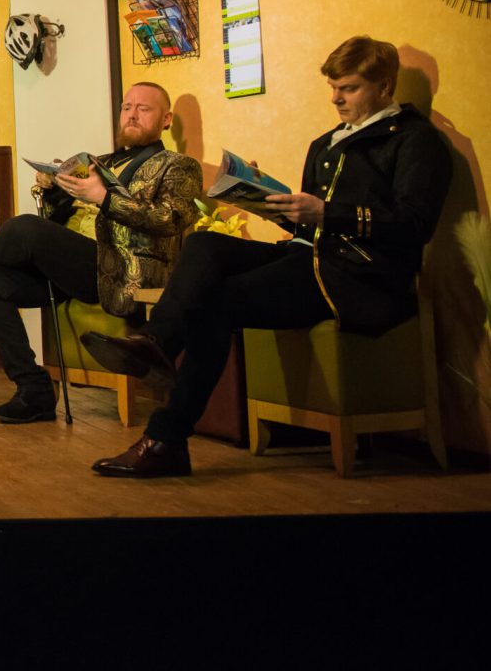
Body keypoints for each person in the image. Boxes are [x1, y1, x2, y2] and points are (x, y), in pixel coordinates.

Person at [83, 37, 453, 477]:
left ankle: (165, 437)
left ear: (385, 87)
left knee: (216, 302)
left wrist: (325, 213)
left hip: (359, 275)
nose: (336, 98)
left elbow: (414, 224)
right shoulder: (326, 143)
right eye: (333, 88)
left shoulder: (415, 139)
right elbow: (308, 227)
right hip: (307, 257)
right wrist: (268, 205)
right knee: (204, 245)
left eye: (349, 88)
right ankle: (155, 344)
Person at [0, 82, 202, 423]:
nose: (132, 115)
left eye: (144, 109)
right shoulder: (100, 163)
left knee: (25, 228)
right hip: (76, 267)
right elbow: (63, 218)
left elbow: (170, 219)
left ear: (166, 119)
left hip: (122, 269)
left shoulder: (179, 166)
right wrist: (56, 189)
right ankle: (33, 388)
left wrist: (104, 197)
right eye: (127, 107)